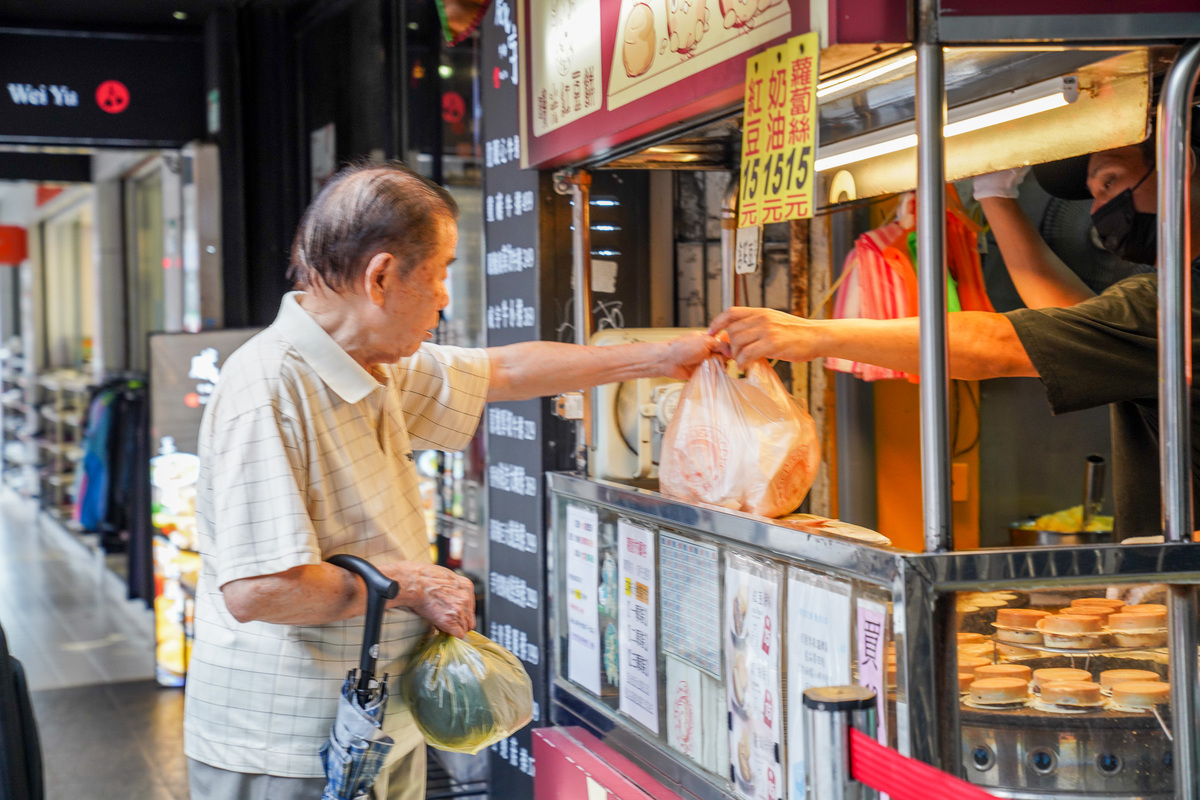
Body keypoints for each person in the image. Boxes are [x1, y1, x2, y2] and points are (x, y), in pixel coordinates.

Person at [184, 162, 718, 800]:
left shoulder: (371, 363)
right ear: (381, 278)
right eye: (439, 273)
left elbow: (508, 371)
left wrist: (666, 356)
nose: (443, 296)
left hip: (373, 729)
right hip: (293, 751)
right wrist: (411, 583)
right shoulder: (269, 386)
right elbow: (262, 591)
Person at [711, 129, 1200, 540]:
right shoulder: (1164, 307)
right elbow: (1073, 317)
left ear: (1183, 161)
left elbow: (999, 347)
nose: (1100, 212)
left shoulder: (1177, 304)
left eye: (1110, 182)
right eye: (1094, 194)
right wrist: (995, 196)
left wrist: (813, 336)